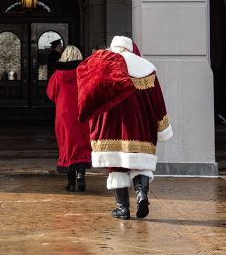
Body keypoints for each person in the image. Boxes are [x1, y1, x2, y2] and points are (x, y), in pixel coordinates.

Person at [77, 36, 173, 220]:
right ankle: (141, 194)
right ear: (131, 48)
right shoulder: (146, 67)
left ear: (113, 48)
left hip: (111, 126)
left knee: (117, 166)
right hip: (141, 125)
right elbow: (157, 102)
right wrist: (163, 127)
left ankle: (123, 209)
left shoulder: (104, 65)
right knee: (140, 163)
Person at [46, 45, 91, 192]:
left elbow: (50, 94)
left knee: (66, 146)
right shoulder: (84, 73)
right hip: (82, 114)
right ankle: (81, 175)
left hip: (63, 116)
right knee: (82, 145)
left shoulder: (57, 75)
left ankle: (71, 183)